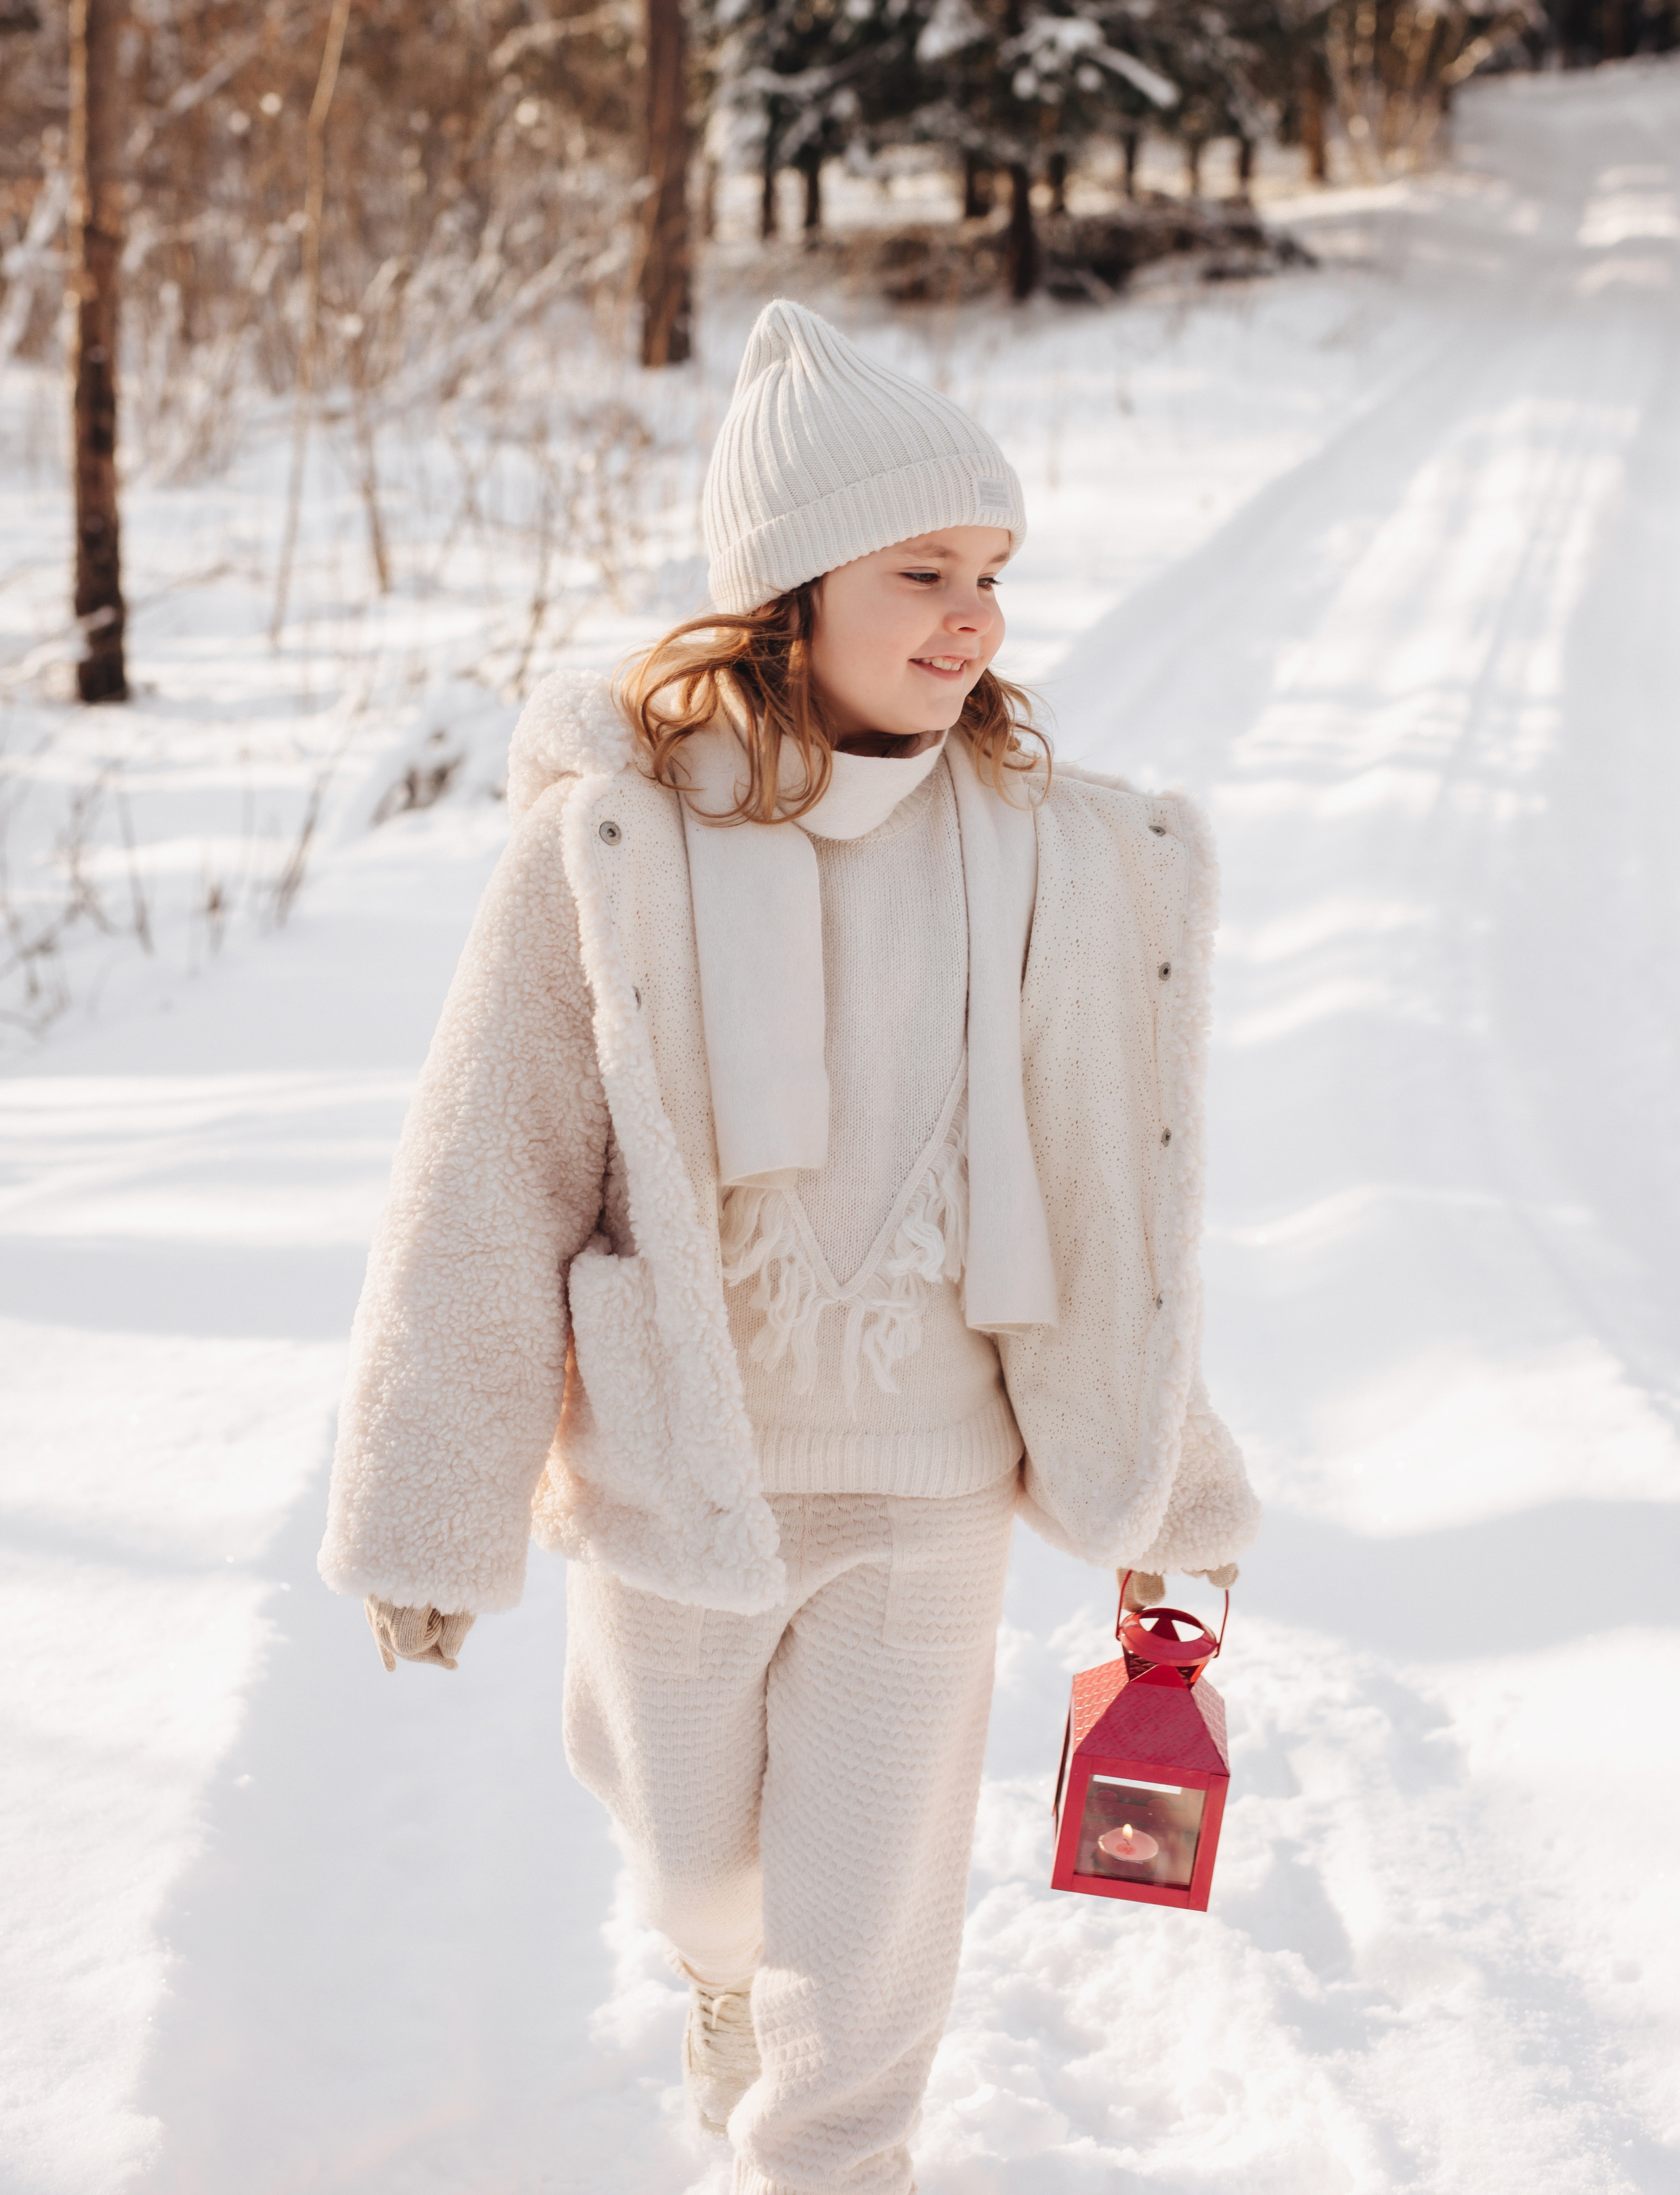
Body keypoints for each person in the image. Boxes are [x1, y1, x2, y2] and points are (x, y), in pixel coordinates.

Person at [320, 298, 1259, 2195]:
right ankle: (715, 1974)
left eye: (990, 573)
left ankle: (831, 2159)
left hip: (930, 1478)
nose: (971, 616)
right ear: (787, 593)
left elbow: (1106, 1196)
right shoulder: (612, 846)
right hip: (685, 1466)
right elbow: (492, 1172)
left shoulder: (1050, 852)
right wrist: (434, 1506)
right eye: (922, 570)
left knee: (876, 1897)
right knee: (695, 1856)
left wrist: (1175, 1480)